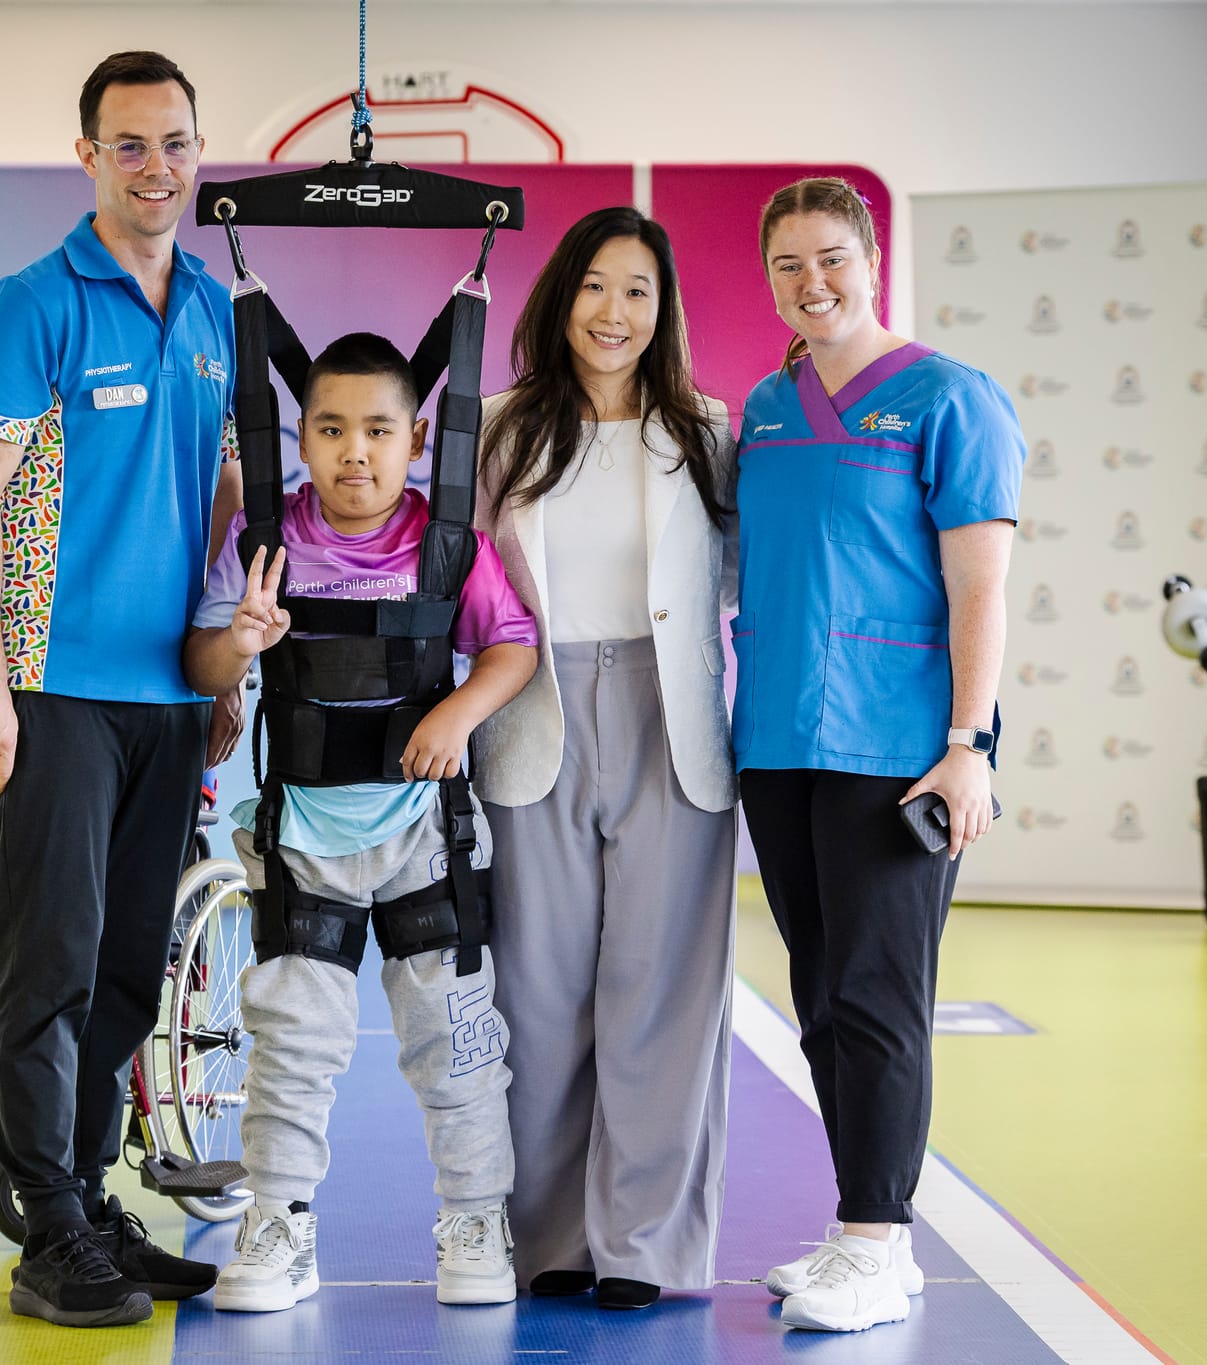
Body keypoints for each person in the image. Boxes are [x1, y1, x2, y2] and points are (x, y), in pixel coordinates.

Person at [0, 50, 245, 1329]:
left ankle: (89, 1195)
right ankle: (46, 1233)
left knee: (129, 964)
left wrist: (222, 658)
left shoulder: (218, 311)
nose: (157, 167)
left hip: (169, 697)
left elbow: (228, 487)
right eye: (129, 144)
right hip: (51, 690)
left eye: (175, 143)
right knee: (49, 962)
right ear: (87, 156)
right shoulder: (30, 304)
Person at [184, 332, 538, 1313]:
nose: (353, 453)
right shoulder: (265, 543)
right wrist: (237, 643)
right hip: (303, 835)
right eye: (329, 429)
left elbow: (511, 645)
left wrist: (457, 713)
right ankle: (279, 1225)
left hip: (426, 833)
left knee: (454, 1038)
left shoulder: (445, 543)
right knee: (292, 1042)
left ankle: (474, 1218)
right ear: (299, 435)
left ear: (416, 436)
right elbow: (204, 667)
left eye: (377, 430)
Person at [731, 177, 1023, 1334]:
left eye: (832, 260)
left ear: (873, 258)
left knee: (878, 996)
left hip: (896, 749)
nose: (813, 284)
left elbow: (979, 586)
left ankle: (877, 1236)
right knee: (817, 998)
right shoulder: (762, 405)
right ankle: (862, 1230)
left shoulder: (951, 400)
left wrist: (967, 747)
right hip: (778, 745)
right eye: (789, 266)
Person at [471, 206, 740, 1311]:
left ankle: (642, 1246)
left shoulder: (707, 430)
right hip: (530, 716)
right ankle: (548, 1242)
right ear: (557, 297)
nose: (613, 313)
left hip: (668, 717)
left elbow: (734, 583)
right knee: (534, 998)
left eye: (636, 290)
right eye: (592, 286)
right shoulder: (494, 428)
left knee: (663, 994)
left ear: (662, 307)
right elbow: (466, 587)